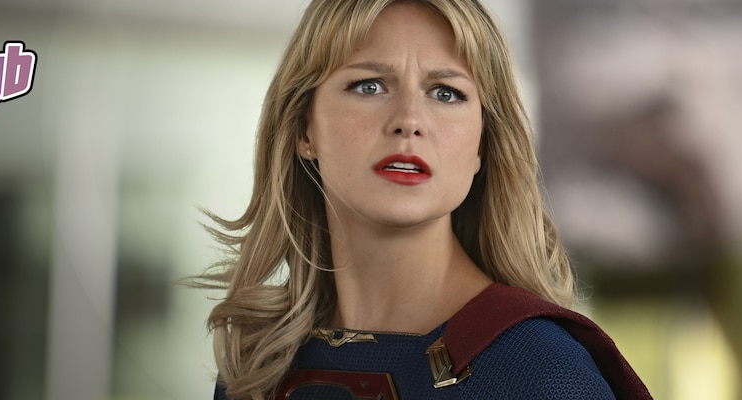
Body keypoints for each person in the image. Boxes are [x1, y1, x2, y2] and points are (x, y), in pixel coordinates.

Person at [191, 0, 651, 398]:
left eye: (445, 93)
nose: (408, 120)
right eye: (369, 86)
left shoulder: (542, 369)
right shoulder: (257, 364)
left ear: (482, 144)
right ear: (303, 129)